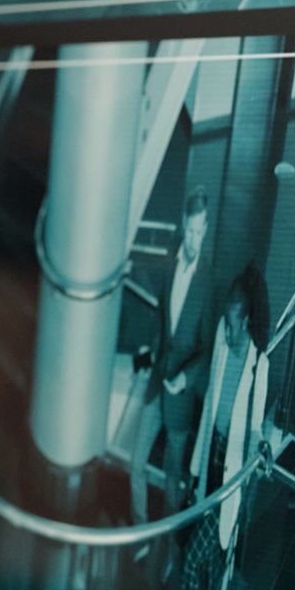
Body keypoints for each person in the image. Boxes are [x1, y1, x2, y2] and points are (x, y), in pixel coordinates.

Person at [183, 263, 276, 590]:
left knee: (196, 562)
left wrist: (262, 449)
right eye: (226, 320)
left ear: (248, 318)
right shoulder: (223, 339)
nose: (230, 330)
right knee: (205, 566)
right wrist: (193, 472)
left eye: (235, 323)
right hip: (209, 462)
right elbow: (208, 409)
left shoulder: (260, 364)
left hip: (230, 477)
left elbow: (255, 426)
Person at [128, 188, 214, 535]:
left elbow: (205, 346)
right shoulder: (169, 261)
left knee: (173, 476)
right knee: (136, 465)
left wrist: (187, 379)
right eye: (189, 230)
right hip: (156, 384)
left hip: (179, 396)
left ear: (205, 229)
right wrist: (148, 348)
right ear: (184, 225)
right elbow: (161, 320)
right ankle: (139, 535)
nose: (193, 238)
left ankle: (165, 542)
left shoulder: (208, 278)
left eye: (199, 231)